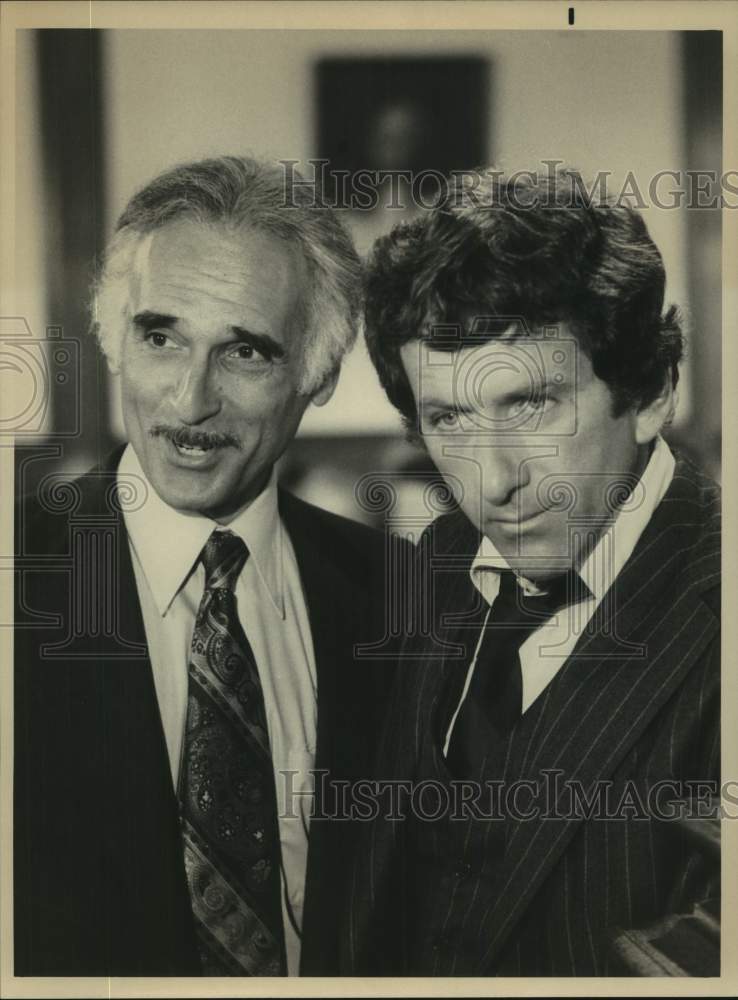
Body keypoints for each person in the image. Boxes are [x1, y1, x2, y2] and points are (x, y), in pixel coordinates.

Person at [14, 155, 403, 977]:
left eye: (246, 354)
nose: (190, 402)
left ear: (319, 372)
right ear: (115, 341)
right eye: (161, 337)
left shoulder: (402, 602)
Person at [341, 166, 721, 975]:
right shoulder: (439, 562)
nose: (493, 480)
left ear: (650, 393)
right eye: (448, 419)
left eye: (530, 406)